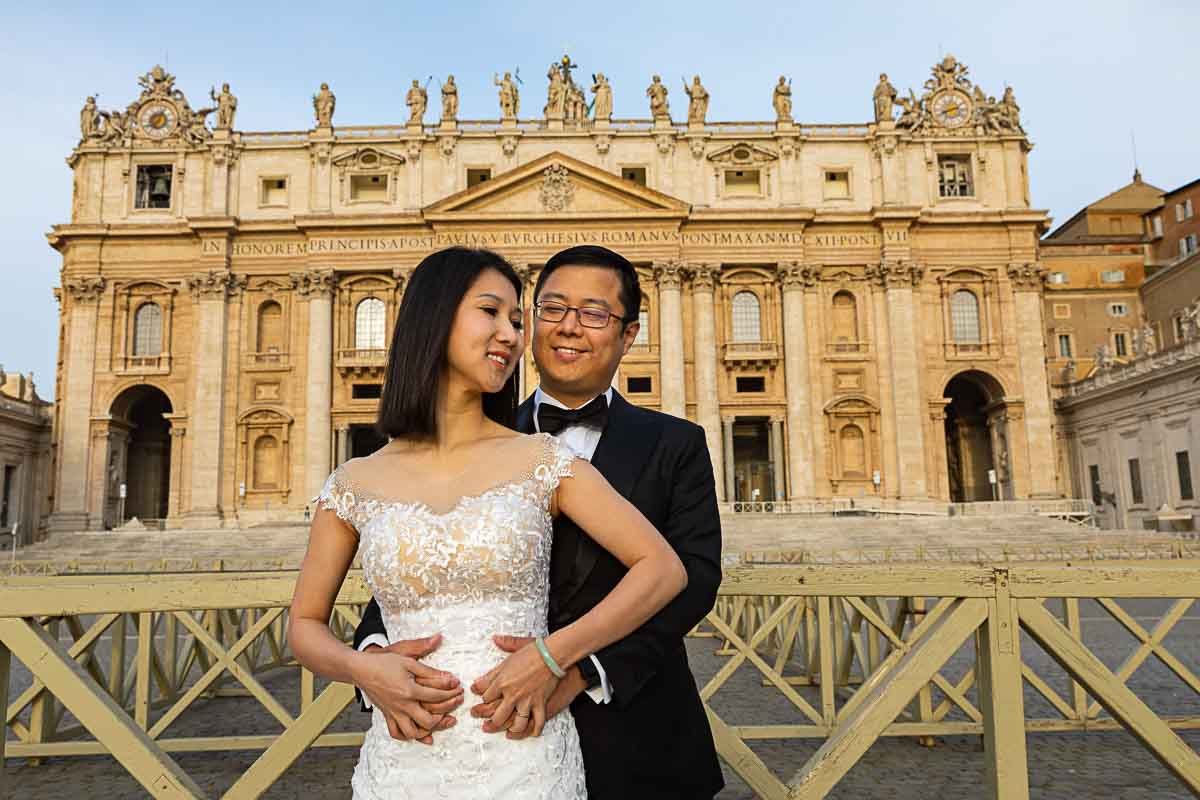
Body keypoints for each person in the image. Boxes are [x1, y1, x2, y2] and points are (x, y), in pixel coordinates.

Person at [290, 247, 688, 799]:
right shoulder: (354, 480)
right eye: (492, 312)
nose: (512, 335)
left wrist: (556, 653)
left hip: (525, 752)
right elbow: (305, 625)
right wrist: (363, 667)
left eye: (518, 321)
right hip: (407, 753)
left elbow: (664, 568)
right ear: (434, 316)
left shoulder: (542, 459)